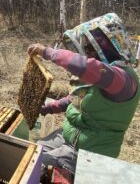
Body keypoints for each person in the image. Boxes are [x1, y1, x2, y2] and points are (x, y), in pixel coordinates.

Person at [27, 13, 140, 175]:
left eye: (91, 48)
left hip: (90, 153)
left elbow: (87, 66)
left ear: (108, 47)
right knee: (31, 150)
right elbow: (76, 100)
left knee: (32, 167)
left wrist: (49, 53)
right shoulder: (101, 76)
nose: (87, 52)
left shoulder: (125, 80)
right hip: (69, 138)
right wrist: (47, 108)